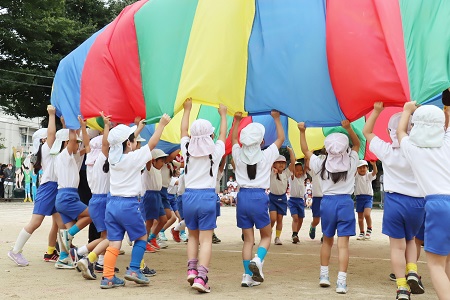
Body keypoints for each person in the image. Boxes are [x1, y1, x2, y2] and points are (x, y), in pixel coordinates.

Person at [363, 102, 426, 299]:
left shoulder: (387, 151)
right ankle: (413, 271)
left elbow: (367, 132)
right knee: (411, 241)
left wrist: (377, 111)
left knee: (397, 246)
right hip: (418, 203)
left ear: (391, 131)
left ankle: (401, 288)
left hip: (395, 202)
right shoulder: (421, 151)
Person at [100, 114, 170, 289]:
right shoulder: (133, 158)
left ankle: (108, 277)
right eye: (132, 139)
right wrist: (161, 125)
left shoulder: (112, 158)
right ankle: (133, 270)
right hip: (129, 205)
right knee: (141, 237)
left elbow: (121, 142)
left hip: (112, 205)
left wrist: (137, 128)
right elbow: (152, 144)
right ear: (128, 144)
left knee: (114, 242)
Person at [299, 120, 360, 294]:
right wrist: (348, 128)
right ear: (345, 147)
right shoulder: (351, 161)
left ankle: (324, 276)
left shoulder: (321, 163)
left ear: (326, 148)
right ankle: (341, 282)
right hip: (345, 203)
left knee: (327, 241)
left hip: (327, 203)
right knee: (343, 245)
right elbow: (357, 143)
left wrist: (302, 131)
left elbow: (305, 151)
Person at [397, 102, 450, 300]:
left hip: (438, 205)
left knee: (436, 265)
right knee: (447, 261)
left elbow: (401, 131)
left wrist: (407, 110)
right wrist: (446, 107)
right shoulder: (447, 142)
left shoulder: (412, 149)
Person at [232, 110, 285, 287]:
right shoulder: (267, 155)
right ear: (262, 141)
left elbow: (233, 141)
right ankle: (258, 259)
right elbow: (281, 139)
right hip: (259, 197)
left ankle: (247, 276)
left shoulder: (238, 154)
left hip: (242, 197)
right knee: (266, 236)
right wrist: (276, 119)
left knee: (248, 239)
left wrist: (237, 121)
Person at [181, 98, 227, 293]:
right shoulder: (215, 152)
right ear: (211, 135)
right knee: (206, 239)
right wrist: (223, 115)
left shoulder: (187, 151)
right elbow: (223, 135)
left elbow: (183, 132)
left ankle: (192, 270)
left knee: (192, 235)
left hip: (188, 197)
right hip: (206, 197)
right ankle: (202, 277)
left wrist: (187, 109)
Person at [8, 106, 63, 266]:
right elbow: (52, 134)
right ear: (43, 140)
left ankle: (67, 254)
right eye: (48, 137)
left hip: (54, 188)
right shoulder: (46, 148)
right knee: (36, 222)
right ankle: (15, 251)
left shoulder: (48, 150)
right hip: (48, 188)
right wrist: (51, 115)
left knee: (63, 224)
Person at [269, 147, 295, 245]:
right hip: (272, 198)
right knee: (272, 218)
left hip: (282, 198)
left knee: (280, 218)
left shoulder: (286, 173)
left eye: (283, 163)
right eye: (278, 162)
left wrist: (290, 151)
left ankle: (277, 237)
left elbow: (293, 162)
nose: (281, 164)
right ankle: (269, 231)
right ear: (274, 164)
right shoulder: (271, 172)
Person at [354, 159, 377, 240]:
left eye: (364, 167)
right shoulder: (356, 176)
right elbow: (352, 172)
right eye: (360, 167)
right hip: (359, 198)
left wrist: (374, 165)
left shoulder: (368, 175)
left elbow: (374, 172)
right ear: (357, 169)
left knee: (367, 214)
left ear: (367, 168)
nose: (362, 169)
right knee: (360, 218)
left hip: (368, 197)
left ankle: (369, 229)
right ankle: (361, 232)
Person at [288, 160, 307, 244]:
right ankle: (294, 234)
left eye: (300, 170)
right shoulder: (292, 177)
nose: (299, 172)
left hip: (300, 200)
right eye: (297, 170)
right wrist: (293, 160)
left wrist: (307, 159)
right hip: (292, 200)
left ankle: (296, 234)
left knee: (301, 219)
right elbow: (290, 167)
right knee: (295, 218)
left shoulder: (303, 177)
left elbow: (306, 167)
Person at [308, 149, 324, 240]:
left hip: (327, 197)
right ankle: (313, 226)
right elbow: (308, 166)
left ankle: (325, 234)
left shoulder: (330, 169)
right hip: (317, 197)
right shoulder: (315, 170)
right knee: (316, 219)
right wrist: (309, 155)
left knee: (326, 218)